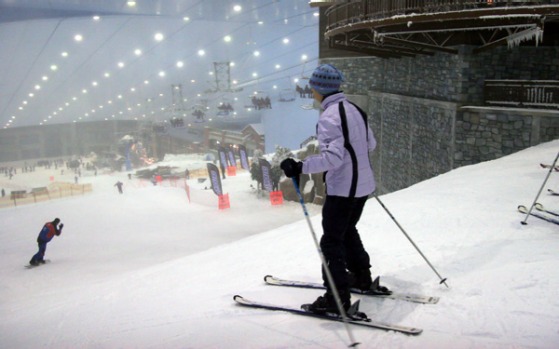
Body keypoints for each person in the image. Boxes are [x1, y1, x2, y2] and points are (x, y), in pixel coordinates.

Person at [281, 64, 379, 315]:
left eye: (312, 86)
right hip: (363, 187)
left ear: (319, 88)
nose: (311, 91)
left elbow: (333, 159)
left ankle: (337, 298)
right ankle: (361, 277)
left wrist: (300, 166)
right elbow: (371, 143)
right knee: (347, 231)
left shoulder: (330, 117)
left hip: (343, 189)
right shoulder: (355, 109)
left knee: (331, 242)